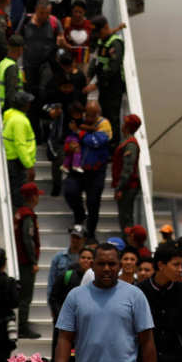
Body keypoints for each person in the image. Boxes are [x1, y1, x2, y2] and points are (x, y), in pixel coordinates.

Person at [64, 102, 111, 239]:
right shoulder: (80, 121)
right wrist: (70, 146)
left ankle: (90, 232)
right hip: (78, 169)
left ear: (99, 113)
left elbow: (95, 142)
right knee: (69, 193)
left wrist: (79, 132)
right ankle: (79, 214)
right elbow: (69, 137)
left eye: (92, 116)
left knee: (93, 203)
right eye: (87, 115)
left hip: (96, 172)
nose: (89, 119)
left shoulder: (104, 125)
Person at [16, 0, 65, 115]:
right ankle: (33, 119)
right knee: (30, 93)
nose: (44, 16)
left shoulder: (54, 22)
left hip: (46, 64)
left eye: (47, 13)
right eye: (42, 13)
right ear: (36, 10)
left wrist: (60, 41)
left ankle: (44, 115)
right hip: (29, 64)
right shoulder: (26, 21)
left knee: (44, 91)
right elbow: (17, 37)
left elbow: (61, 37)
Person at [84, 16, 124, 139]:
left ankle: (113, 144)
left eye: (99, 32)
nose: (97, 36)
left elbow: (113, 68)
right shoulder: (101, 41)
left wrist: (96, 85)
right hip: (105, 87)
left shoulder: (115, 43)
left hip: (113, 86)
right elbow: (95, 61)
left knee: (112, 116)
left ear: (106, 27)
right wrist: (89, 76)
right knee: (105, 114)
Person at [15, 183, 43, 339]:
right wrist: (33, 261)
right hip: (25, 261)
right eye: (37, 195)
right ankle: (22, 326)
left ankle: (21, 324)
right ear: (33, 196)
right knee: (26, 295)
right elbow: (28, 238)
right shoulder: (27, 215)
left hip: (20, 259)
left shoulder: (19, 212)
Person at [3, 90, 36, 210]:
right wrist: (29, 165)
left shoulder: (11, 116)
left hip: (13, 161)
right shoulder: (19, 121)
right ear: (25, 105)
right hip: (18, 163)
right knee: (19, 196)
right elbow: (20, 145)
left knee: (16, 194)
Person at [112, 114, 142, 233]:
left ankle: (129, 245)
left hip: (127, 187)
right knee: (123, 218)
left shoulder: (130, 144)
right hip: (125, 186)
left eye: (125, 122)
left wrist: (120, 187)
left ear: (127, 126)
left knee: (126, 219)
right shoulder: (126, 142)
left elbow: (128, 168)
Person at [48, 225, 86, 312]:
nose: (75, 240)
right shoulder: (59, 257)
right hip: (62, 303)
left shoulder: (87, 258)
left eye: (78, 237)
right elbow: (52, 282)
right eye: (73, 236)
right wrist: (52, 307)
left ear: (83, 239)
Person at [0, 33, 26, 111]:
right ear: (21, 49)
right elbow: (12, 93)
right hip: (9, 110)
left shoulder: (3, 63)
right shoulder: (12, 68)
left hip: (2, 108)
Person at [64, 1, 93, 66]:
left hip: (83, 59)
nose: (77, 14)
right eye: (75, 11)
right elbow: (59, 36)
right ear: (72, 10)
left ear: (84, 12)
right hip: (68, 60)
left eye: (80, 12)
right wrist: (65, 45)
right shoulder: (65, 21)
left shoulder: (89, 24)